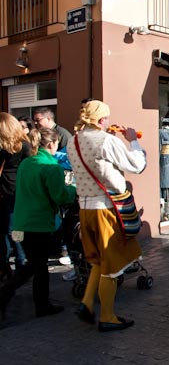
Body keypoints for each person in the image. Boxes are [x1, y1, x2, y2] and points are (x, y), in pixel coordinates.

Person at [66, 100, 146, 332]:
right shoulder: (107, 141)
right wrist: (133, 140)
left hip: (85, 208)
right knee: (111, 266)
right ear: (102, 120)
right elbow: (137, 165)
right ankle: (108, 316)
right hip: (106, 208)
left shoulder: (73, 141)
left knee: (97, 261)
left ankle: (87, 303)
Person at [0, 129, 76, 319]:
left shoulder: (27, 163)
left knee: (33, 264)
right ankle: (39, 304)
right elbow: (60, 196)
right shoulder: (51, 167)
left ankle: (10, 295)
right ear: (52, 144)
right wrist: (73, 189)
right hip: (39, 223)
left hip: (21, 222)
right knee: (39, 267)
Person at [0, 113, 32, 284]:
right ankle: (9, 263)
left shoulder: (21, 146)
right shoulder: (18, 146)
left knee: (13, 229)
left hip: (14, 193)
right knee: (8, 229)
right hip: (10, 193)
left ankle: (21, 260)